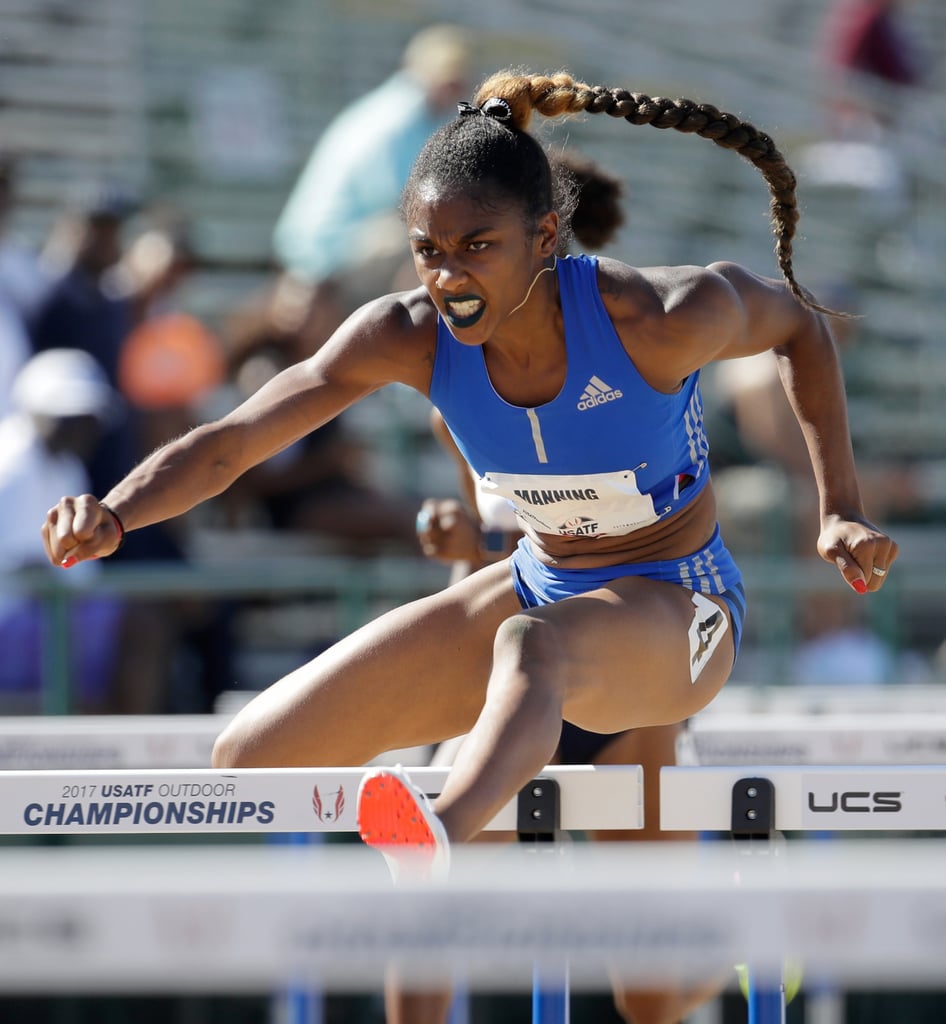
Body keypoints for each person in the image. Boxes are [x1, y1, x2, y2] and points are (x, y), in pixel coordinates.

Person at [42, 70, 897, 1021]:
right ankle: (734, 926)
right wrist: (114, 513)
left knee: (533, 649)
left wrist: (839, 508)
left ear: (545, 237)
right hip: (537, 598)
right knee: (251, 764)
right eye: (427, 252)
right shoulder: (405, 336)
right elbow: (235, 442)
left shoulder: (653, 318)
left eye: (475, 249)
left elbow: (799, 329)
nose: (447, 278)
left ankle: (437, 835)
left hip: (675, 610)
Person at [271, 23, 473, 357]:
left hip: (324, 246)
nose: (453, 88)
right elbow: (403, 204)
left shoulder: (400, 110)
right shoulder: (401, 117)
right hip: (327, 253)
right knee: (435, 245)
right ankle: (412, 354)